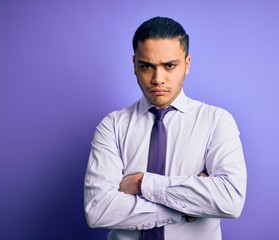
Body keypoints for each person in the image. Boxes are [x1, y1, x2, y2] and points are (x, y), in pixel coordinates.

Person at [84, 16, 247, 240]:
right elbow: (98, 211)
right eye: (147, 66)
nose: (157, 79)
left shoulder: (217, 121)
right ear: (134, 65)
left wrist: (143, 183)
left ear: (187, 64)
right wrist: (186, 207)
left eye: (170, 65)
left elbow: (230, 200)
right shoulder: (112, 126)